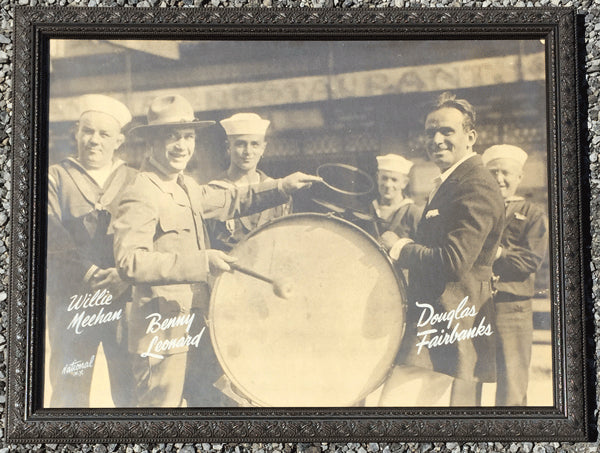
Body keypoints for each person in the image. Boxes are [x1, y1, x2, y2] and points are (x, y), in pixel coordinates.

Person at [112, 94, 321, 407]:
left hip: (198, 325)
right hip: (163, 331)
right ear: (152, 142)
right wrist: (201, 261)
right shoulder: (142, 191)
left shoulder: (187, 186)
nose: (182, 146)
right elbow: (129, 262)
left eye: (188, 137)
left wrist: (282, 187)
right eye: (172, 137)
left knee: (214, 408)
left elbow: (232, 199)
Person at [379, 92, 505, 406]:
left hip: (446, 325)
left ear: (470, 136)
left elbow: (452, 261)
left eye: (446, 131)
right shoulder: (454, 181)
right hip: (437, 325)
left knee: (394, 414)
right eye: (430, 132)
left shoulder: (474, 183)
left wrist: (401, 247)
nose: (436, 139)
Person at [46, 94, 137, 407]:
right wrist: (85, 272)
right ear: (76, 132)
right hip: (73, 300)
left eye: (104, 134)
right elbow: (49, 233)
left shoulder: (135, 179)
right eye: (88, 131)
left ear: (119, 141)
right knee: (70, 388)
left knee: (131, 391)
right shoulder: (55, 177)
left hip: (124, 298)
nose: (94, 140)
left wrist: (127, 275)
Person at [482, 144, 548, 406]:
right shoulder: (480, 210)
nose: (499, 178)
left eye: (506, 173)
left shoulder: (532, 213)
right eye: (493, 172)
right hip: (476, 304)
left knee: (511, 382)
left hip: (512, 307)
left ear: (519, 177)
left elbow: (530, 260)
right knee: (466, 378)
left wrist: (498, 253)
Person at [207, 113, 290, 252]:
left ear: (263, 148)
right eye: (240, 144)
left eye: (255, 144)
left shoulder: (278, 191)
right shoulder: (215, 192)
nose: (248, 152)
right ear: (228, 147)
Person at [371, 153, 422, 241]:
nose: (388, 184)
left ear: (404, 183)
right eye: (384, 178)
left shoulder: (413, 212)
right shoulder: (369, 208)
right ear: (377, 178)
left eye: (394, 180)